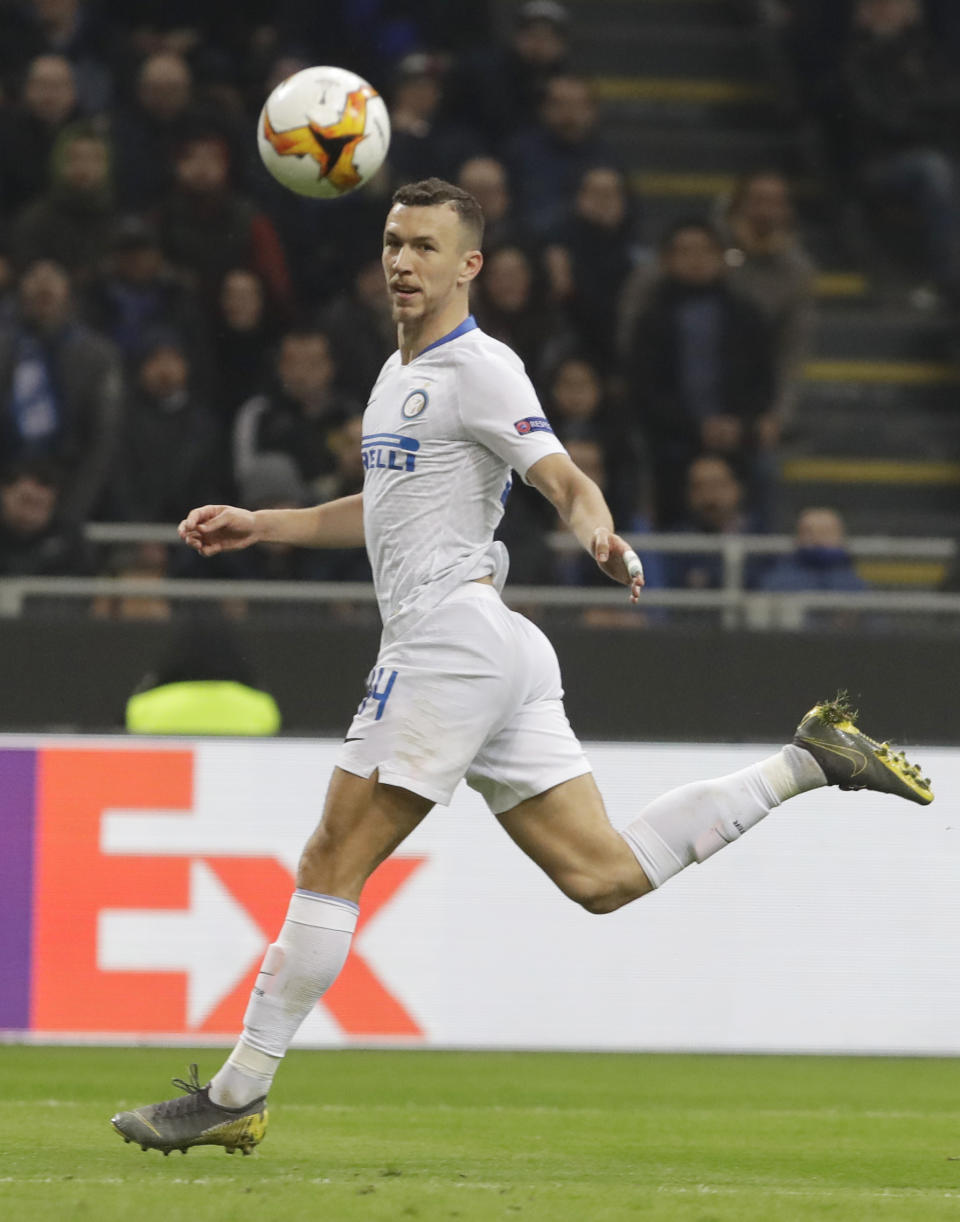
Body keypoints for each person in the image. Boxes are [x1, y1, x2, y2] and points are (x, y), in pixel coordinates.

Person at [110, 177, 933, 1157]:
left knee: (332, 860)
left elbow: (561, 475)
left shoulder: (482, 367)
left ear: (469, 265)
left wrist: (599, 534)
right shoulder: (393, 373)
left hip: (448, 641)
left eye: (423, 245)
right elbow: (381, 506)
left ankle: (237, 1092)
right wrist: (266, 524)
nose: (401, 260)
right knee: (602, 874)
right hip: (491, 646)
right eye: (391, 241)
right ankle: (807, 760)